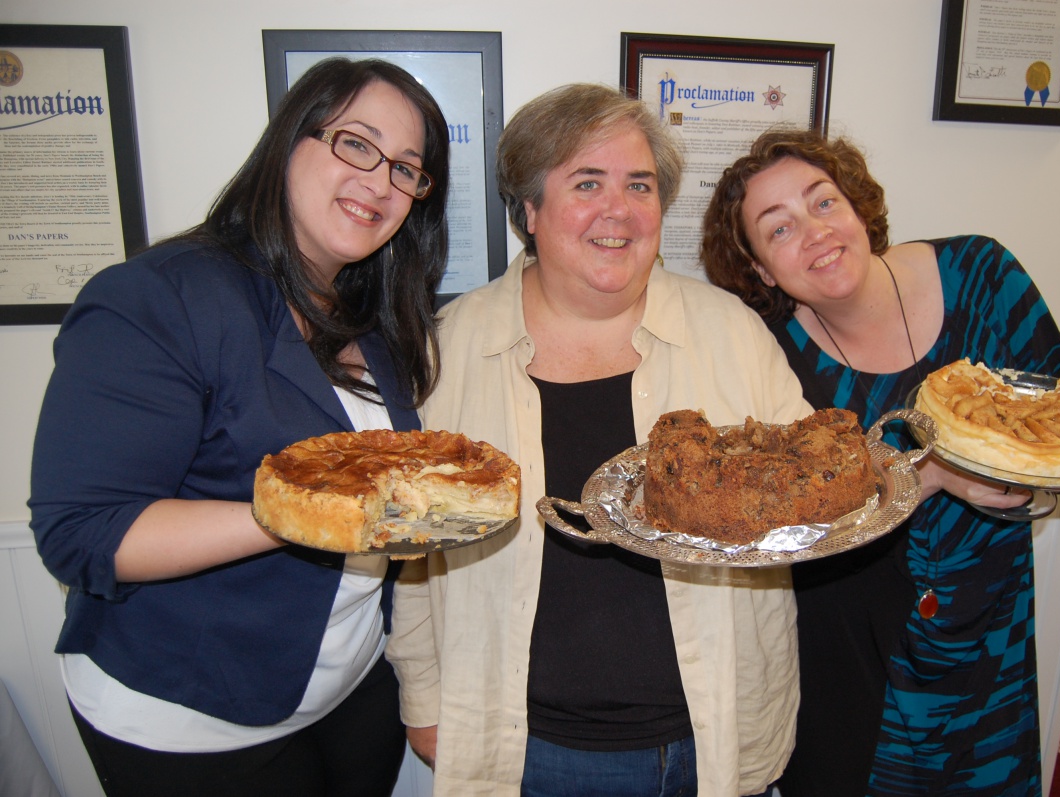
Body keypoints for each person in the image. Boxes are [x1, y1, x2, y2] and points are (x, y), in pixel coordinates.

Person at [28, 57, 450, 797]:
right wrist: (306, 514)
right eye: (357, 144)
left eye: (407, 169)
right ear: (289, 141)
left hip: (350, 688)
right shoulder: (158, 298)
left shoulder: (371, 312)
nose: (382, 182)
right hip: (192, 717)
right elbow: (84, 531)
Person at [386, 84, 813, 797]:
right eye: (587, 182)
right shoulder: (450, 350)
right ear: (529, 209)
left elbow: (811, 500)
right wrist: (424, 697)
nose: (618, 209)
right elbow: (416, 550)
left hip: (713, 734)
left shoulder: (733, 332)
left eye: (638, 185)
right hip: (532, 748)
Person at [701, 128, 1060, 797]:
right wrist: (932, 473)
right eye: (778, 229)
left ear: (857, 204)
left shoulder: (982, 276)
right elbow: (796, 517)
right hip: (850, 645)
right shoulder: (770, 357)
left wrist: (1020, 464)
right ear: (760, 269)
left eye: (823, 202)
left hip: (986, 625)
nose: (814, 232)